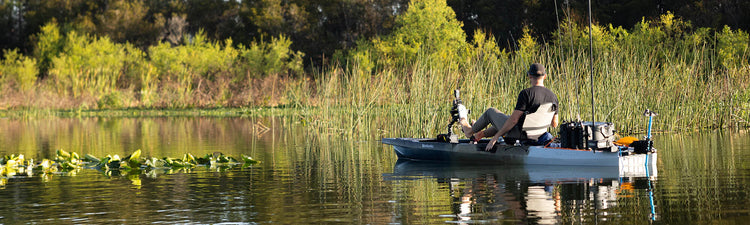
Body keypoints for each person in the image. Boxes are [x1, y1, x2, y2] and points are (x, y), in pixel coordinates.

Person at [457, 63, 559, 151]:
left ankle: (469, 131)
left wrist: (495, 138)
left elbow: (513, 121)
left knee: (491, 112)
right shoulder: (554, 97)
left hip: (519, 135)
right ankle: (479, 135)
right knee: (507, 118)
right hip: (538, 135)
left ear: (529, 76)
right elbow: (554, 124)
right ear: (545, 76)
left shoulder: (526, 93)